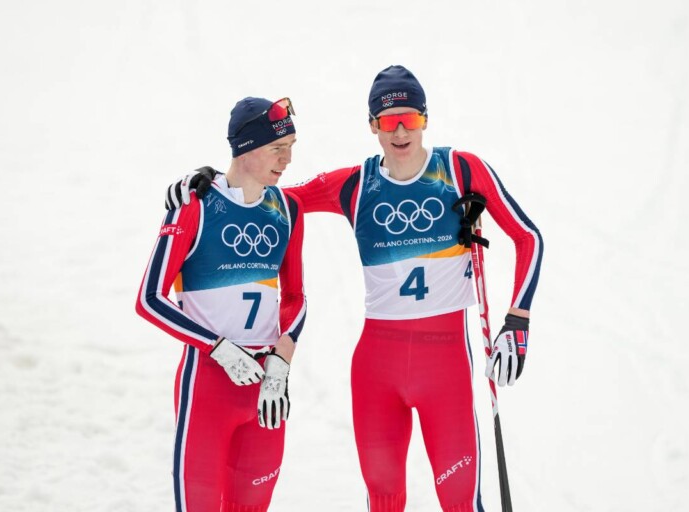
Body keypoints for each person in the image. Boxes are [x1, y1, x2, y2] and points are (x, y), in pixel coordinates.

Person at [166, 66, 543, 512]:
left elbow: (528, 238)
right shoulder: (356, 183)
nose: (400, 131)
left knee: (461, 502)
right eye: (387, 121)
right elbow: (272, 198)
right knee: (383, 500)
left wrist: (516, 325)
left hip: (446, 368)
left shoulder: (461, 170)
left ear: (425, 119)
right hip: (375, 371)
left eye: (410, 119)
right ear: (372, 126)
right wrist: (204, 186)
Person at [137, 96, 307, 512]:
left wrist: (281, 360)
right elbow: (149, 299)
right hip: (207, 384)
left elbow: (296, 298)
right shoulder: (194, 205)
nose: (287, 160)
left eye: (291, 147)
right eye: (276, 149)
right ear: (246, 148)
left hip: (266, 387)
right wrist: (218, 346)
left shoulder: (287, 207)